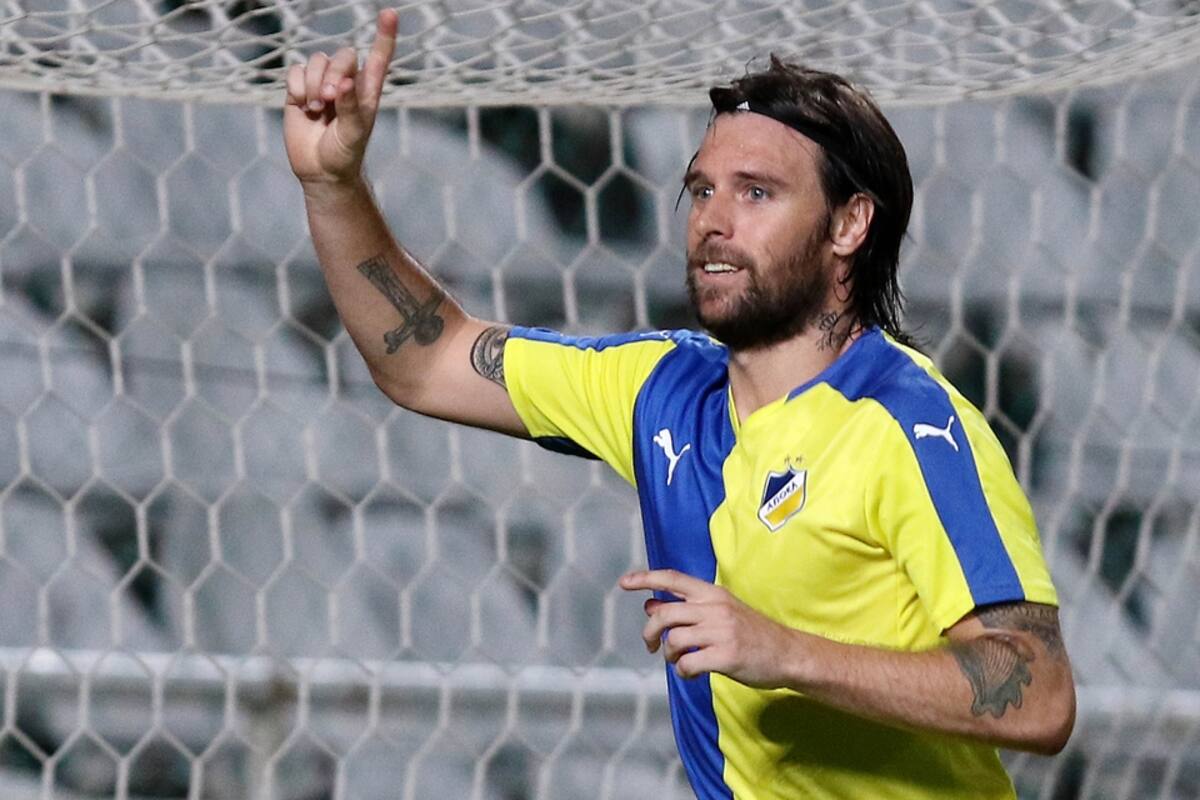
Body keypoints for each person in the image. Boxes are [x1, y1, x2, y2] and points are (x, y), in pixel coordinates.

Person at [283, 9, 1076, 798]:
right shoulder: (659, 389)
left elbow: (1039, 692)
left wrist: (783, 652)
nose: (713, 222)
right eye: (702, 190)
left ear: (848, 223)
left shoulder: (910, 425)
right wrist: (332, 186)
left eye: (756, 192)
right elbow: (426, 360)